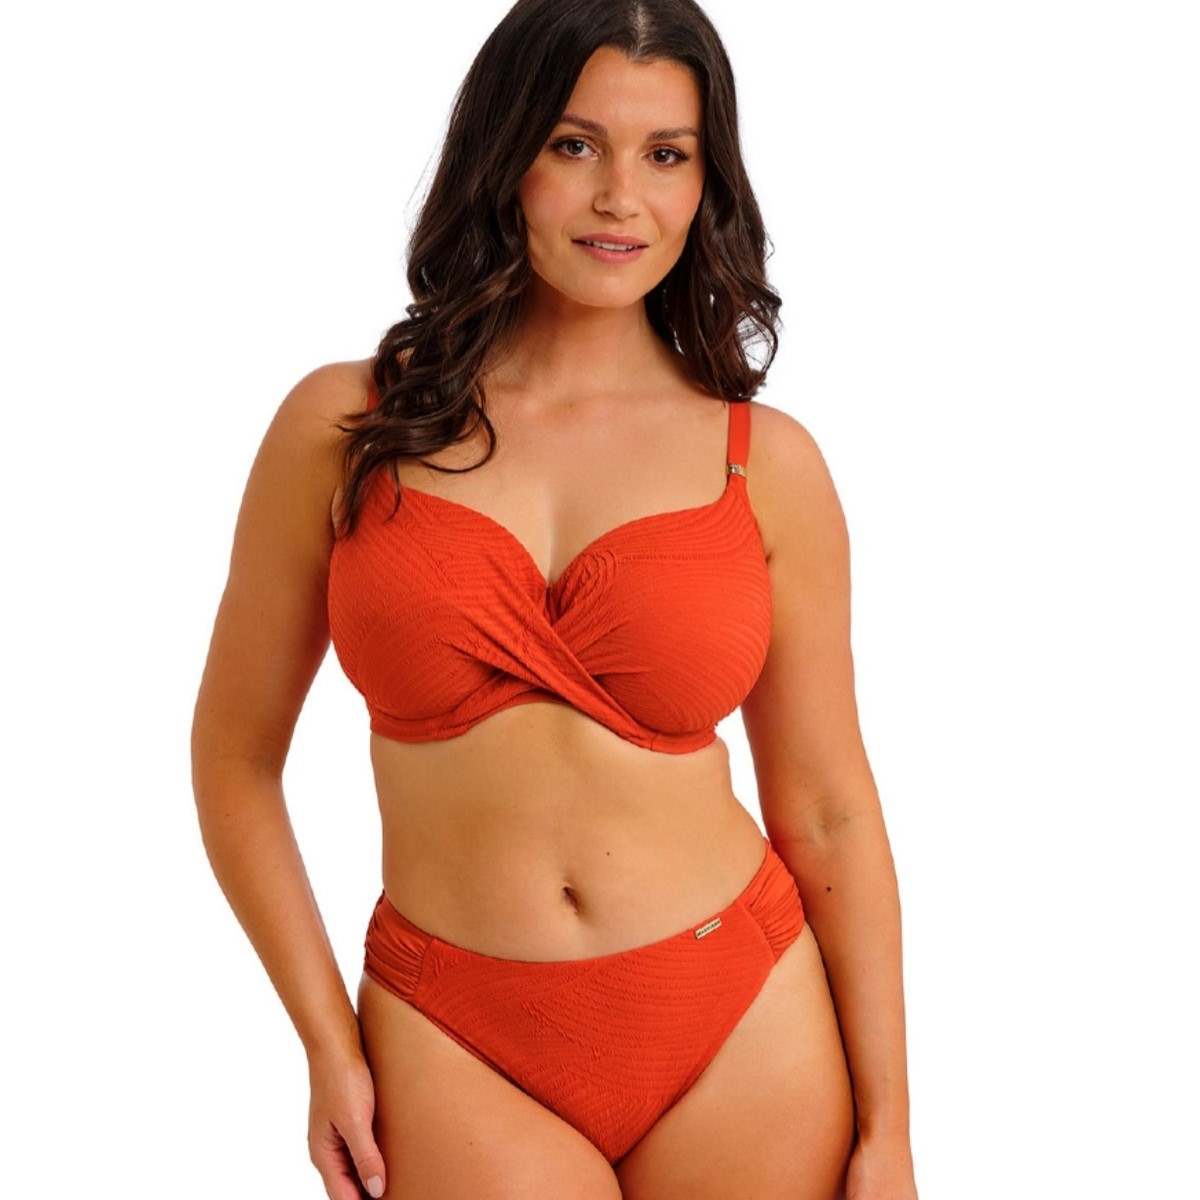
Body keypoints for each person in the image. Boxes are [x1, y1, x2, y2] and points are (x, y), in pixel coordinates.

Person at [191, 3, 917, 1198]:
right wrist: (326, 1042)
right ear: (504, 153)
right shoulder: (345, 427)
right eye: (575, 145)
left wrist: (890, 1127)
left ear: (706, 185)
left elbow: (830, 807)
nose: (621, 197)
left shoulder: (766, 462)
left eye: (667, 154)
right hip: (454, 1029)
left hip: (743, 1019)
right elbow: (233, 760)